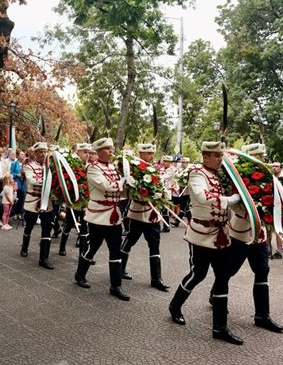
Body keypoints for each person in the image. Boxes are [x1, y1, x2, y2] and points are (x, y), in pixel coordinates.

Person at [169, 141, 243, 345]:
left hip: (222, 234)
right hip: (202, 234)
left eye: (221, 155)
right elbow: (203, 197)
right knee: (197, 274)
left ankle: (220, 327)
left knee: (223, 277)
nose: (221, 159)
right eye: (216, 155)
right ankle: (175, 306)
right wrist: (230, 199)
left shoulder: (221, 176)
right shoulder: (197, 174)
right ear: (205, 156)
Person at [209, 143, 283, 333]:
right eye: (258, 156)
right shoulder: (237, 176)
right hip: (240, 232)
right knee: (228, 270)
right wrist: (250, 210)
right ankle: (215, 295)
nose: (262, 160)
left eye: (263, 156)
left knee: (262, 270)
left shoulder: (269, 177)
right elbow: (231, 201)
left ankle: (262, 315)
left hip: (258, 234)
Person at [74, 138, 130, 301]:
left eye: (112, 149)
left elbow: (119, 190)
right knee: (93, 247)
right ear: (98, 152)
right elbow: (106, 185)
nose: (112, 152)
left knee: (115, 249)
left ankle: (116, 286)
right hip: (98, 215)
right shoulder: (92, 168)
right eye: (108, 149)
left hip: (114, 215)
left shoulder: (113, 168)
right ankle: (80, 274)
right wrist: (125, 183)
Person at [120, 143, 169, 292]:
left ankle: (156, 278)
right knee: (130, 241)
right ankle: (120, 269)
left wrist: (164, 194)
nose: (152, 156)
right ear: (141, 154)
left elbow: (161, 186)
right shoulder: (134, 170)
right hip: (138, 214)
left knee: (155, 245)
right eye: (148, 154)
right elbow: (129, 190)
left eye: (152, 154)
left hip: (153, 214)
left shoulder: (154, 169)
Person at [20, 142, 54, 269]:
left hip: (47, 202)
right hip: (33, 200)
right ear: (35, 153)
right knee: (29, 225)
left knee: (47, 229)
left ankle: (44, 258)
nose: (43, 154)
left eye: (45, 152)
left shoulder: (50, 167)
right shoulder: (29, 166)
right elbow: (32, 180)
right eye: (40, 152)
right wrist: (49, 181)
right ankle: (24, 246)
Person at [60, 143, 90, 256]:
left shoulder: (89, 165)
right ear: (78, 152)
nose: (87, 155)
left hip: (85, 201)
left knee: (84, 227)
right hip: (74, 200)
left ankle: (83, 253)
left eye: (88, 152)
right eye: (85, 152)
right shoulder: (72, 164)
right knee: (68, 224)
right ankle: (62, 246)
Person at [10, 149, 25, 220]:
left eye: (24, 154)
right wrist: (16, 175)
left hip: (23, 184)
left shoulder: (25, 164)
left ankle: (20, 213)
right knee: (16, 199)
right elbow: (11, 173)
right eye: (21, 154)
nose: (23, 156)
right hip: (16, 183)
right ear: (18, 156)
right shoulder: (14, 163)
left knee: (22, 199)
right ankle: (14, 213)